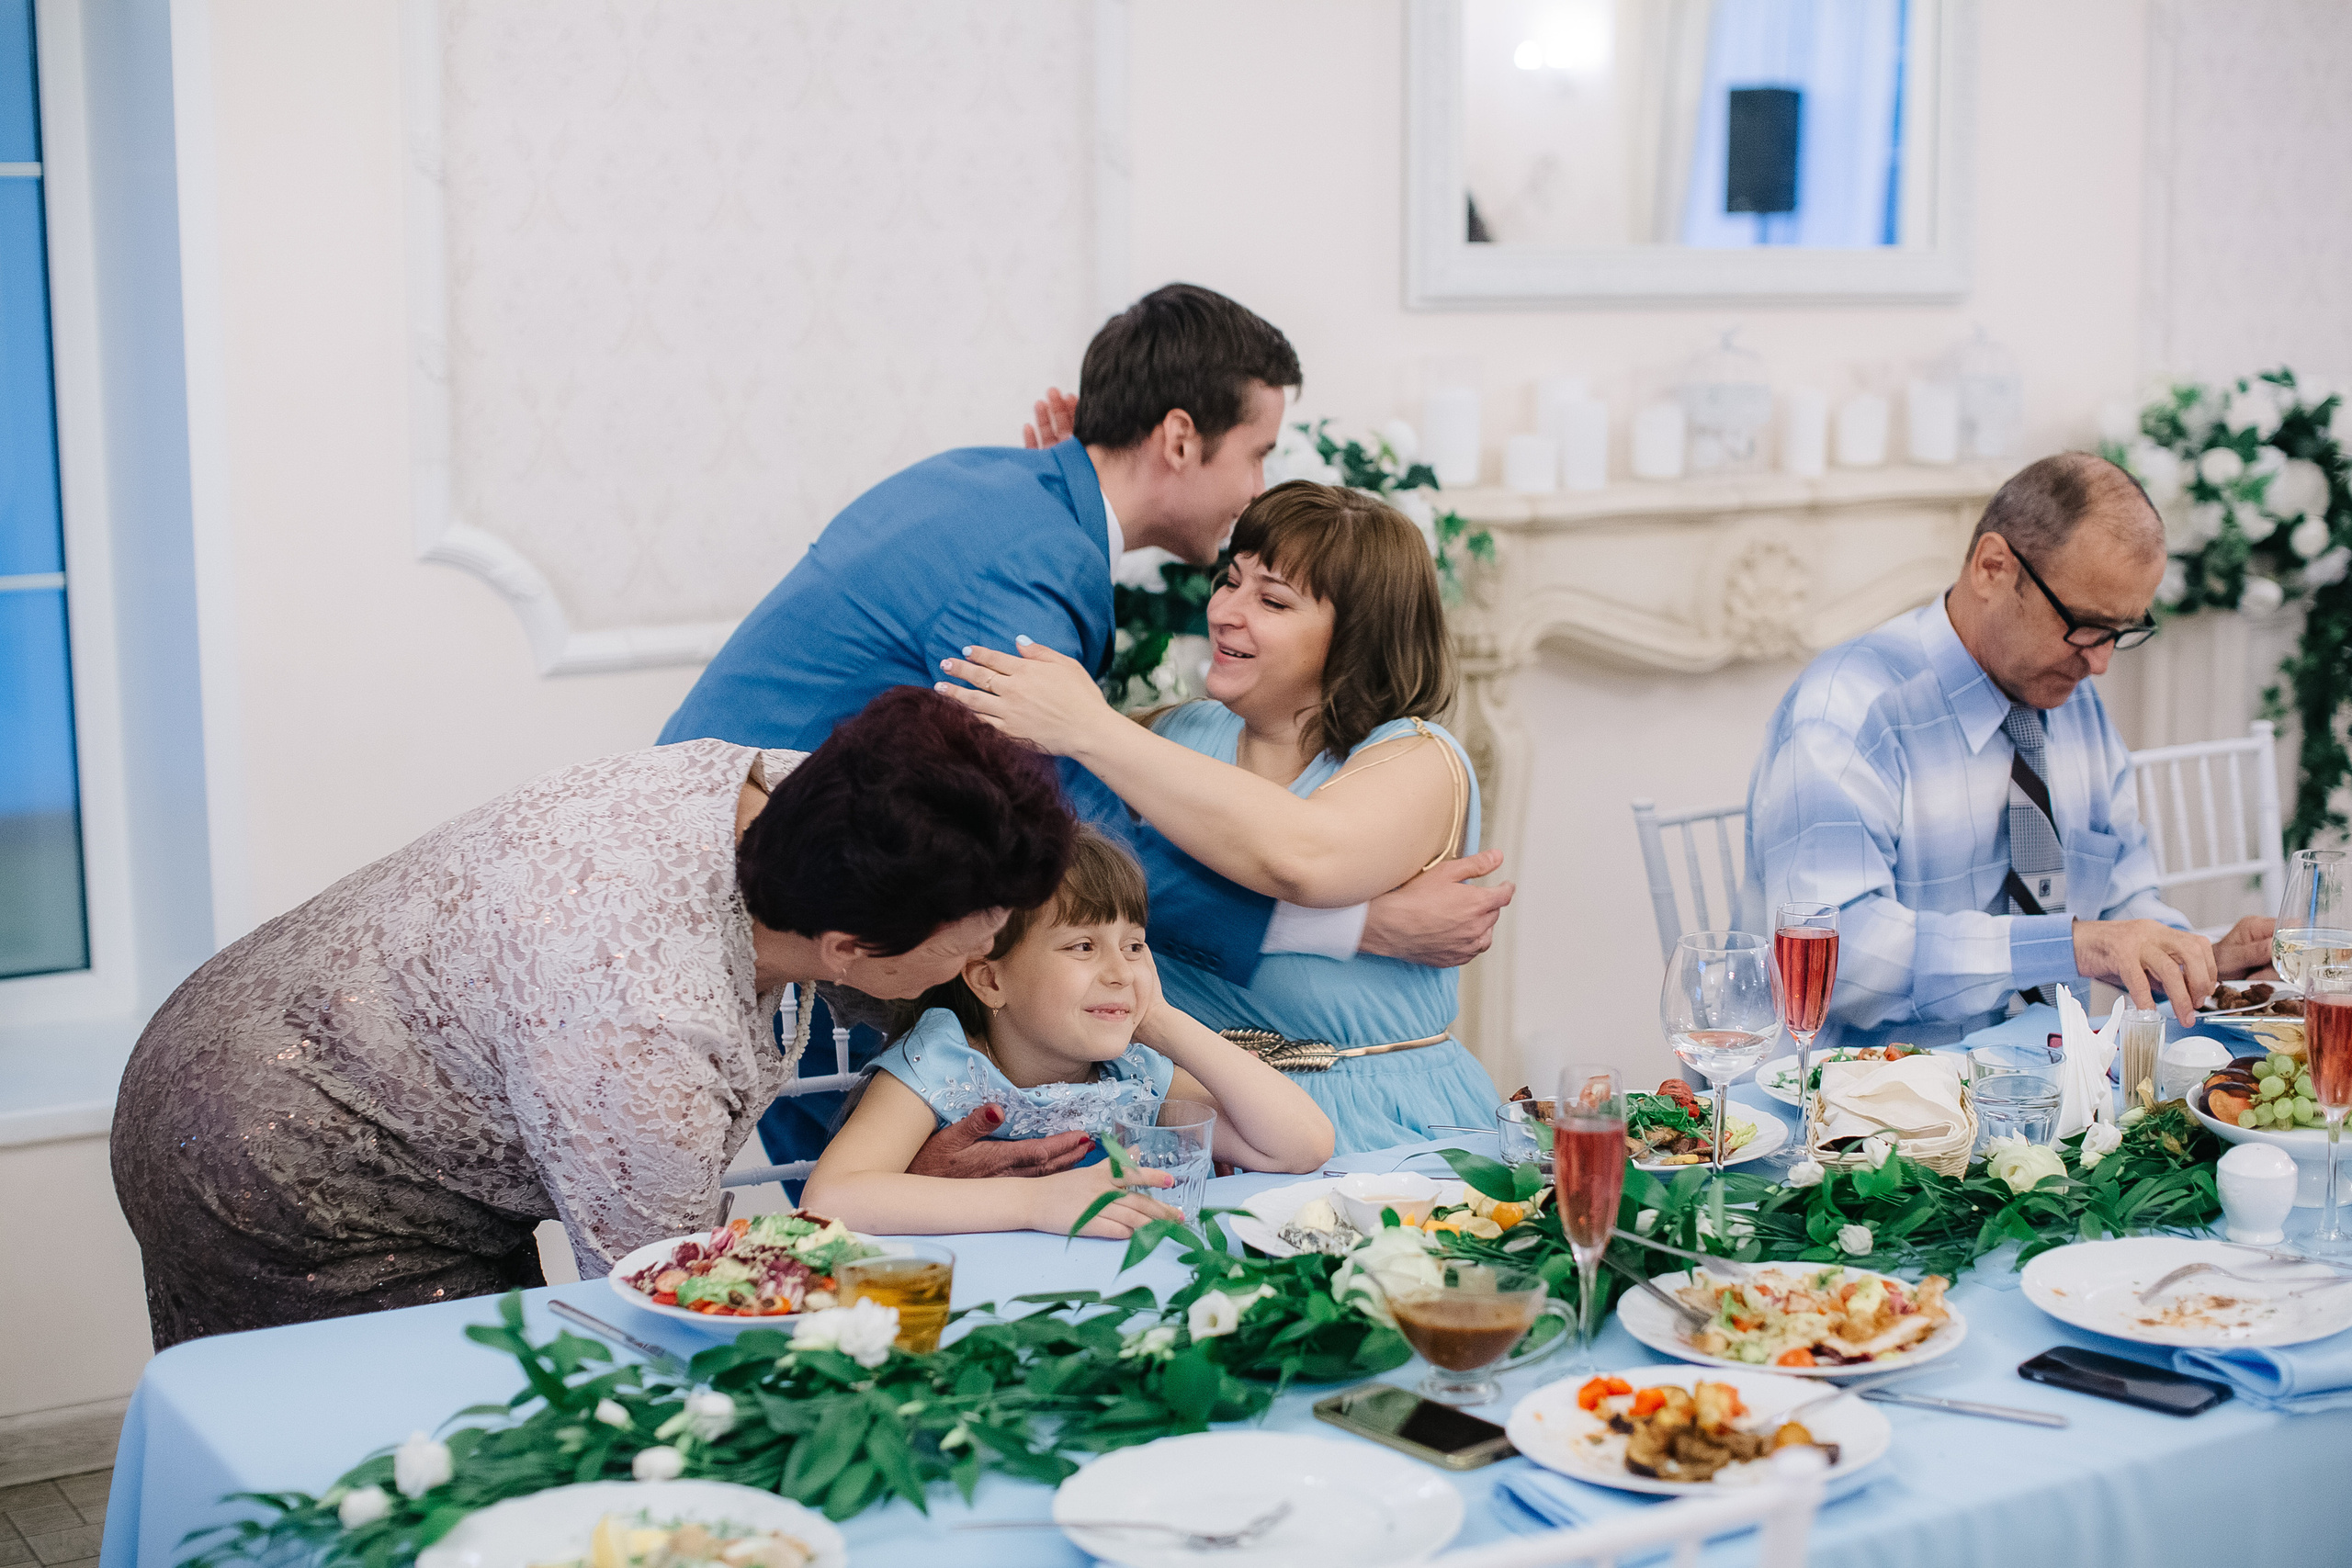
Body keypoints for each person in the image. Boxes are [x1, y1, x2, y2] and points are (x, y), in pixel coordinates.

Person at [658, 283, 1511, 1173]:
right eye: (1256, 452)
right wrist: (1350, 927)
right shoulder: (1031, 557)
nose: (1255, 485)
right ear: (1179, 439)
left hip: (752, 861)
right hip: (770, 897)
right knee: (851, 1210)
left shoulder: (1008, 500)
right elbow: (1062, 840)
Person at [109, 691, 1072, 1348]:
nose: (982, 962)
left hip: (297, 1024)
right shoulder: (640, 1026)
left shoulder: (802, 795)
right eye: (971, 946)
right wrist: (884, 1210)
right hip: (269, 1148)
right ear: (849, 947)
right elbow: (674, 1299)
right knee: (423, 1462)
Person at [938, 480, 1501, 1152]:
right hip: (1194, 1112)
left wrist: (1091, 725)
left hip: (1376, 1118)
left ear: (1358, 635)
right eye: (1229, 581)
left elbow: (1305, 858)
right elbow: (1080, 878)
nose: (1226, 612)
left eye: (1272, 600)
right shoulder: (1174, 736)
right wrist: (1355, 928)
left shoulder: (1420, 758)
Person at [1739, 452, 2275, 1052]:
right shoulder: (1848, 707)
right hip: (1858, 1095)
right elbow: (1837, 961)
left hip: (2042, 1088)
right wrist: (2069, 945)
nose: (2100, 662)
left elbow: (2122, 898)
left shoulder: (2073, 700)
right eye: (2084, 624)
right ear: (1992, 567)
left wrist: (2199, 964)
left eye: (2119, 633)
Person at [802, 829, 1334, 1236]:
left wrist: (1162, 1021)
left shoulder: (1135, 1070)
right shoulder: (941, 1064)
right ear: (991, 980)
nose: (1120, 972)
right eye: (1083, 946)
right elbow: (831, 1200)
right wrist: (1034, 1203)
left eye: (1133, 946)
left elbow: (1300, 1147)